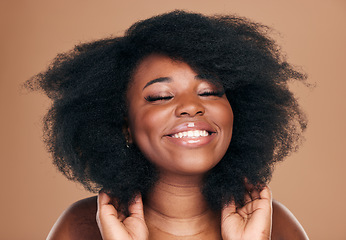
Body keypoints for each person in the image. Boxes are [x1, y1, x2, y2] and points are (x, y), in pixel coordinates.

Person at [26, 10, 309, 239]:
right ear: (124, 125)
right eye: (161, 96)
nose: (191, 106)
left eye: (209, 92)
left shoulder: (275, 226)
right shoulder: (79, 227)